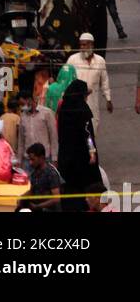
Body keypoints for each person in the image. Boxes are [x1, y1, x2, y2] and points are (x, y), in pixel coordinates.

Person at [57, 80, 98, 213]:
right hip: (82, 159)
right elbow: (88, 134)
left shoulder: (64, 108)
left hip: (66, 159)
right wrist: (92, 152)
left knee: (70, 191)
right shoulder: (82, 108)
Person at [67, 33, 112, 127]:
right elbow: (66, 80)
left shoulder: (100, 61)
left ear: (91, 45)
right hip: (76, 103)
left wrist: (108, 99)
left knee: (93, 129)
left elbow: (104, 81)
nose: (82, 47)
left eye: (85, 45)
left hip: (93, 103)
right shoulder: (72, 60)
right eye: (81, 45)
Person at [16, 88, 58, 163]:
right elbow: (21, 140)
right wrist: (19, 160)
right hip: (28, 160)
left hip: (44, 159)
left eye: (22, 104)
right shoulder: (22, 117)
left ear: (29, 100)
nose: (21, 107)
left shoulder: (47, 113)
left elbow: (53, 136)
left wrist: (55, 158)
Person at [26, 141, 62, 211]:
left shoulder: (51, 173)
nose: (30, 162)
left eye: (33, 159)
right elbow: (32, 190)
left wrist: (38, 206)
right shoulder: (34, 173)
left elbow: (56, 199)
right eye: (29, 159)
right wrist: (22, 198)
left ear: (41, 158)